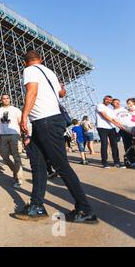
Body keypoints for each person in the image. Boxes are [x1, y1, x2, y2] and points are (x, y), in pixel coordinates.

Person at [15, 50, 98, 224]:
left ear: (25, 62)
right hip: (44, 122)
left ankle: (85, 209)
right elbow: (62, 93)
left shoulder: (29, 70)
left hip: (46, 121)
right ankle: (37, 205)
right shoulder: (49, 72)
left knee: (61, 165)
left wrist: (24, 115)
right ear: (41, 59)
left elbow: (32, 92)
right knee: (37, 164)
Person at [0, 94, 23, 188]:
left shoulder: (16, 110)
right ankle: (15, 170)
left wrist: (22, 134)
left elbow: (20, 122)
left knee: (16, 156)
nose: (5, 100)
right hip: (3, 135)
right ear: (1, 100)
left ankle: (18, 178)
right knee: (4, 156)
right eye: (3, 98)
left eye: (7, 98)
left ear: (10, 99)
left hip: (14, 134)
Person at [95, 95, 123, 168]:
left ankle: (117, 162)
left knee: (114, 145)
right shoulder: (100, 105)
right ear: (104, 99)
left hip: (112, 128)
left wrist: (121, 126)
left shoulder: (110, 109)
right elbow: (104, 116)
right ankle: (104, 162)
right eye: (107, 99)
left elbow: (114, 119)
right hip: (102, 127)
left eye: (110, 100)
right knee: (104, 144)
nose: (109, 101)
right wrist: (116, 124)